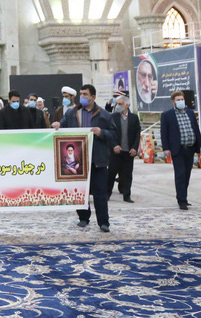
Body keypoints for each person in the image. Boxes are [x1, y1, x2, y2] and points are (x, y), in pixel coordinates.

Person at [53, 84, 118, 232]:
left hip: (98, 159)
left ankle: (103, 222)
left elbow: (114, 134)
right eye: (81, 94)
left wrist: (102, 132)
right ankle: (83, 217)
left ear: (93, 97)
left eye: (85, 95)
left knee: (100, 192)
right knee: (79, 191)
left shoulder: (104, 115)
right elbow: (62, 127)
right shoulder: (72, 113)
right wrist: (57, 125)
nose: (82, 97)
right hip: (77, 161)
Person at [159, 90, 201, 210]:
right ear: (173, 102)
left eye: (182, 99)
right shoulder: (167, 115)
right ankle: (181, 200)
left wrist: (200, 146)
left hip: (190, 149)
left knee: (187, 174)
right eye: (178, 100)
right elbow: (164, 133)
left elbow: (196, 130)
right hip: (177, 150)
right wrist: (166, 148)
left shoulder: (190, 113)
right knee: (180, 174)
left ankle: (184, 197)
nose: (180, 101)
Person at [107, 92, 140, 203]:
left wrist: (135, 148)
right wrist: (114, 145)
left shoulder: (134, 118)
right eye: (117, 104)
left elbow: (137, 134)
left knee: (127, 175)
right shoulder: (112, 117)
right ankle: (106, 195)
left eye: (120, 104)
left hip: (128, 152)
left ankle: (127, 196)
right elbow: (110, 134)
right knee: (111, 174)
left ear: (127, 105)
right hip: (116, 151)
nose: (118, 106)